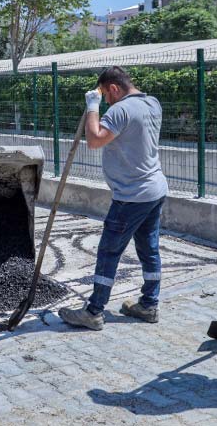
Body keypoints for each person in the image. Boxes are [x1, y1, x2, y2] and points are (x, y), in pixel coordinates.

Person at [58, 66, 168, 331]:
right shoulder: (152, 103)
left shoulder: (121, 110)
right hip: (155, 189)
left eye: (106, 95)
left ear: (114, 89)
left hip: (132, 195)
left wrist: (93, 107)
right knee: (149, 248)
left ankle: (94, 311)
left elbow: (95, 140)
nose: (107, 100)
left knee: (109, 250)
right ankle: (149, 304)